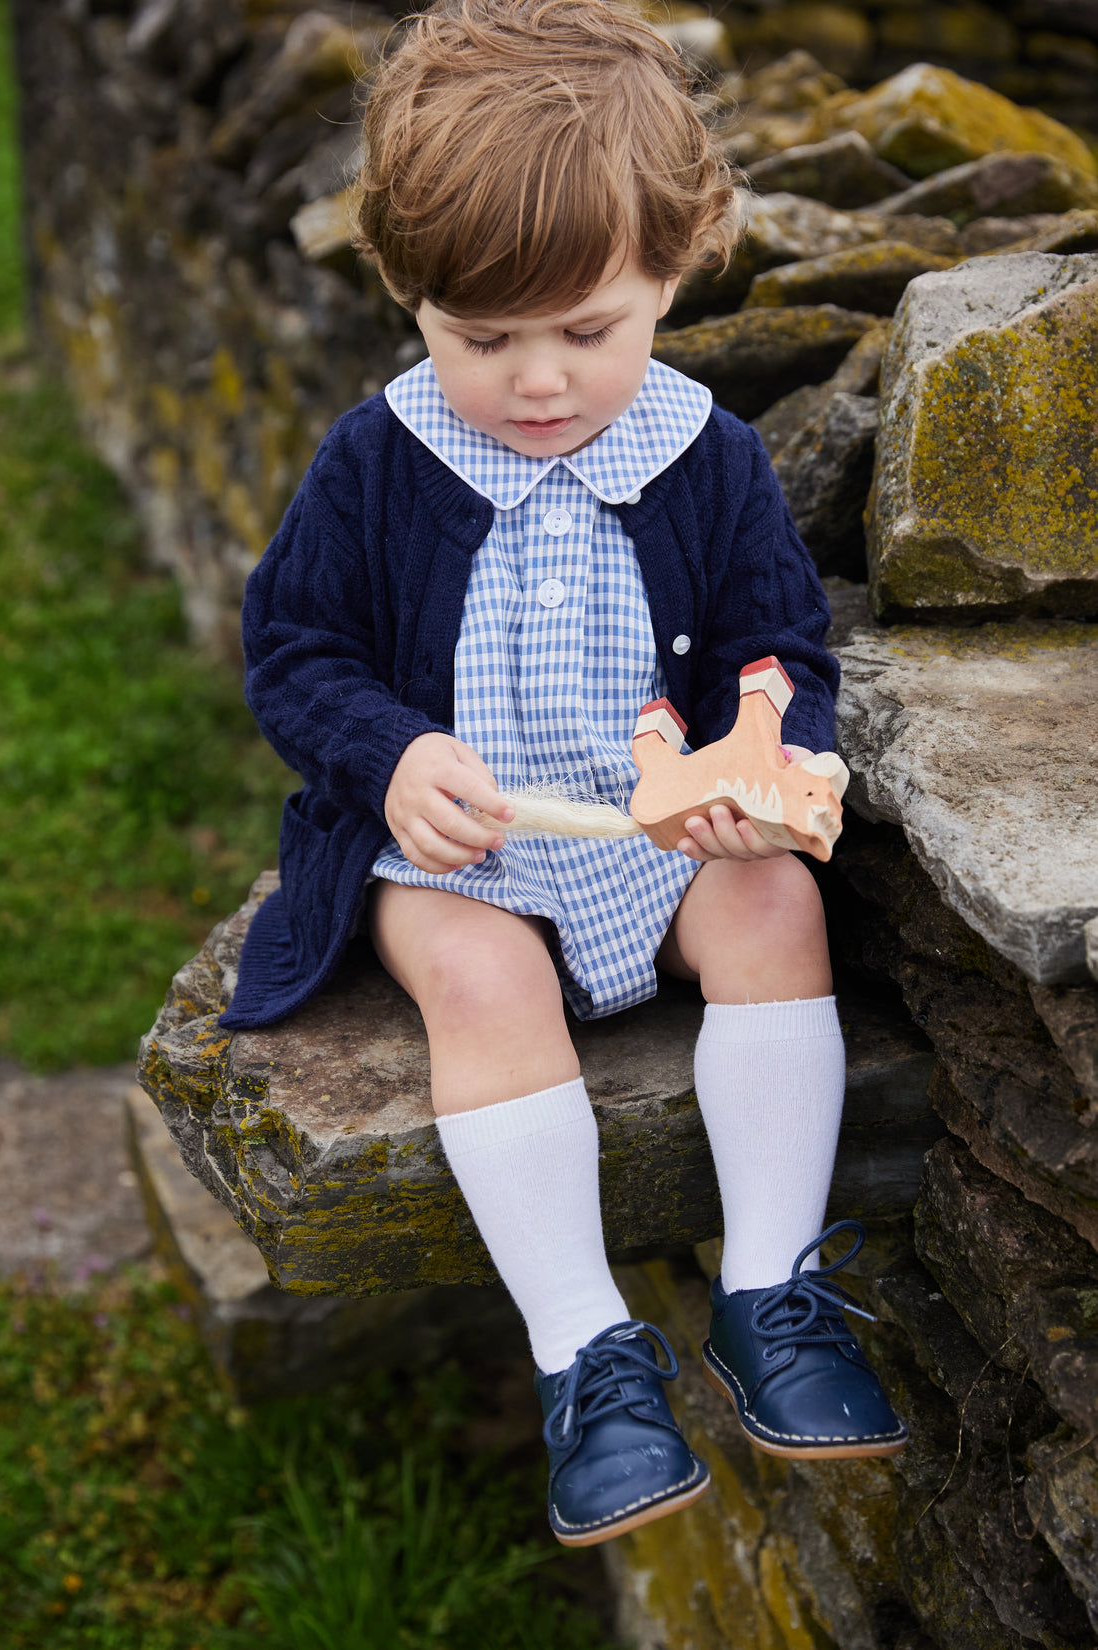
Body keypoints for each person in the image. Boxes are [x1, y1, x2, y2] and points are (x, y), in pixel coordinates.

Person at [222, 0, 907, 1547]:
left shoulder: (708, 457)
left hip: (645, 833)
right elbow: (298, 655)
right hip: (459, 848)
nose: (538, 381)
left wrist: (765, 763)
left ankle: (771, 1296)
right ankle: (587, 1352)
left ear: (678, 266)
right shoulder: (376, 462)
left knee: (773, 912)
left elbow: (781, 653)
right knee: (477, 976)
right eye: (482, 339)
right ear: (407, 294)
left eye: (588, 331)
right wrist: (388, 755)